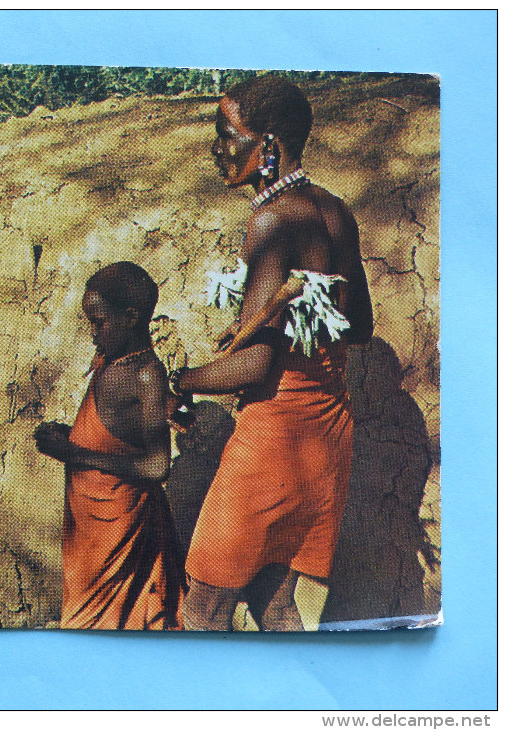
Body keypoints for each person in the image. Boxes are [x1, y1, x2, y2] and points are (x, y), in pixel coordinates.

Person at [170, 75, 373, 631]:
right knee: (274, 604)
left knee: (202, 610)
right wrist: (296, 318)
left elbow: (255, 364)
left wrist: (182, 379)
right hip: (327, 433)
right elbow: (359, 327)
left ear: (270, 147)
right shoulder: (334, 211)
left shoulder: (272, 220)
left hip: (275, 439)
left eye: (227, 135)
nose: (218, 149)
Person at [34, 262, 182, 630]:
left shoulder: (146, 376)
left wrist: (73, 453)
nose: (93, 334)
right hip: (89, 529)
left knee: (97, 624)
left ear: (130, 317)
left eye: (99, 322)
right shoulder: (111, 365)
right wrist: (70, 435)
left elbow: (156, 466)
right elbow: (114, 437)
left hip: (119, 527)